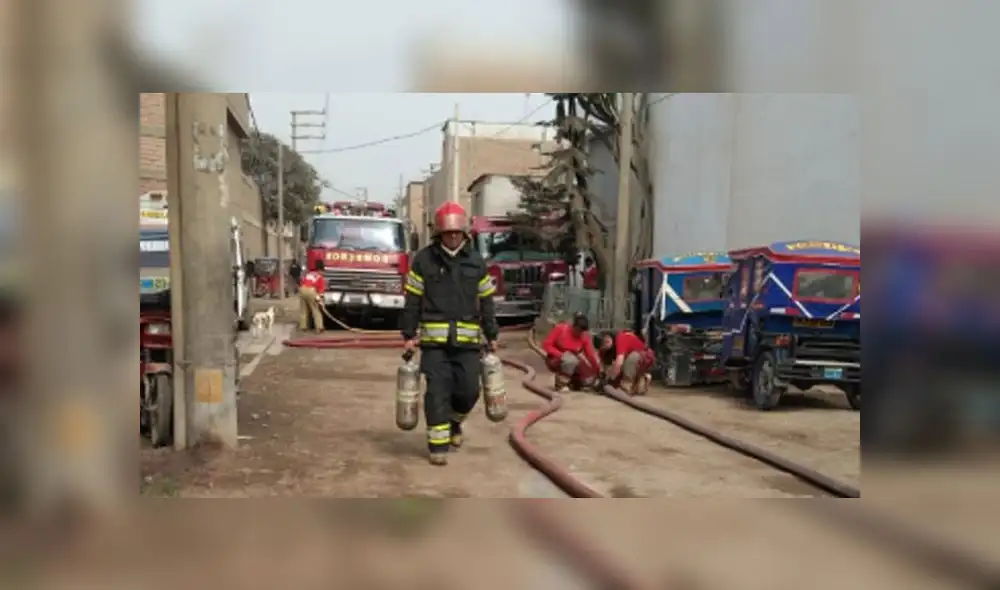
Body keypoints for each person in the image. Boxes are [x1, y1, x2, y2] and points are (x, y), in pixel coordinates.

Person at [401, 201, 500, 466]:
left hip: (467, 344)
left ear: (464, 234)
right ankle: (437, 447)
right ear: (439, 234)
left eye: (457, 233)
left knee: (469, 391)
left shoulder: (476, 262)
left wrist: (492, 333)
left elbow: (487, 300)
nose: (453, 237)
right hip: (434, 345)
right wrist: (408, 334)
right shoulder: (424, 260)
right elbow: (412, 298)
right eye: (448, 233)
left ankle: (455, 422)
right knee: (437, 392)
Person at [541, 312, 602, 392]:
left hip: (574, 361)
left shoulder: (584, 337)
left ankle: (573, 382)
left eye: (581, 332)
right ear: (574, 326)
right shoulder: (561, 329)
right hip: (555, 359)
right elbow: (546, 345)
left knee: (588, 379)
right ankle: (561, 383)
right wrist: (561, 355)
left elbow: (590, 355)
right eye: (578, 330)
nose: (579, 333)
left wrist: (598, 369)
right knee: (570, 360)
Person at [597, 329, 655, 395]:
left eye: (605, 344)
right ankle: (644, 378)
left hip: (645, 355)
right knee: (637, 390)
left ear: (608, 338)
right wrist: (605, 379)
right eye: (602, 347)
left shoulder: (620, 338)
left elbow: (619, 363)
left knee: (631, 358)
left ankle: (626, 387)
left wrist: (609, 379)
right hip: (634, 360)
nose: (605, 347)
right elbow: (606, 368)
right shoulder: (604, 350)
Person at [298, 259, 325, 333]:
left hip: (302, 289)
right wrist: (320, 300)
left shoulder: (309, 274)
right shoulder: (320, 277)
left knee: (303, 309)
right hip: (310, 291)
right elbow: (321, 291)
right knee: (315, 309)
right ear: (320, 270)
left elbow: (302, 282)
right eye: (323, 271)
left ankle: (303, 327)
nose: (323, 273)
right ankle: (319, 327)